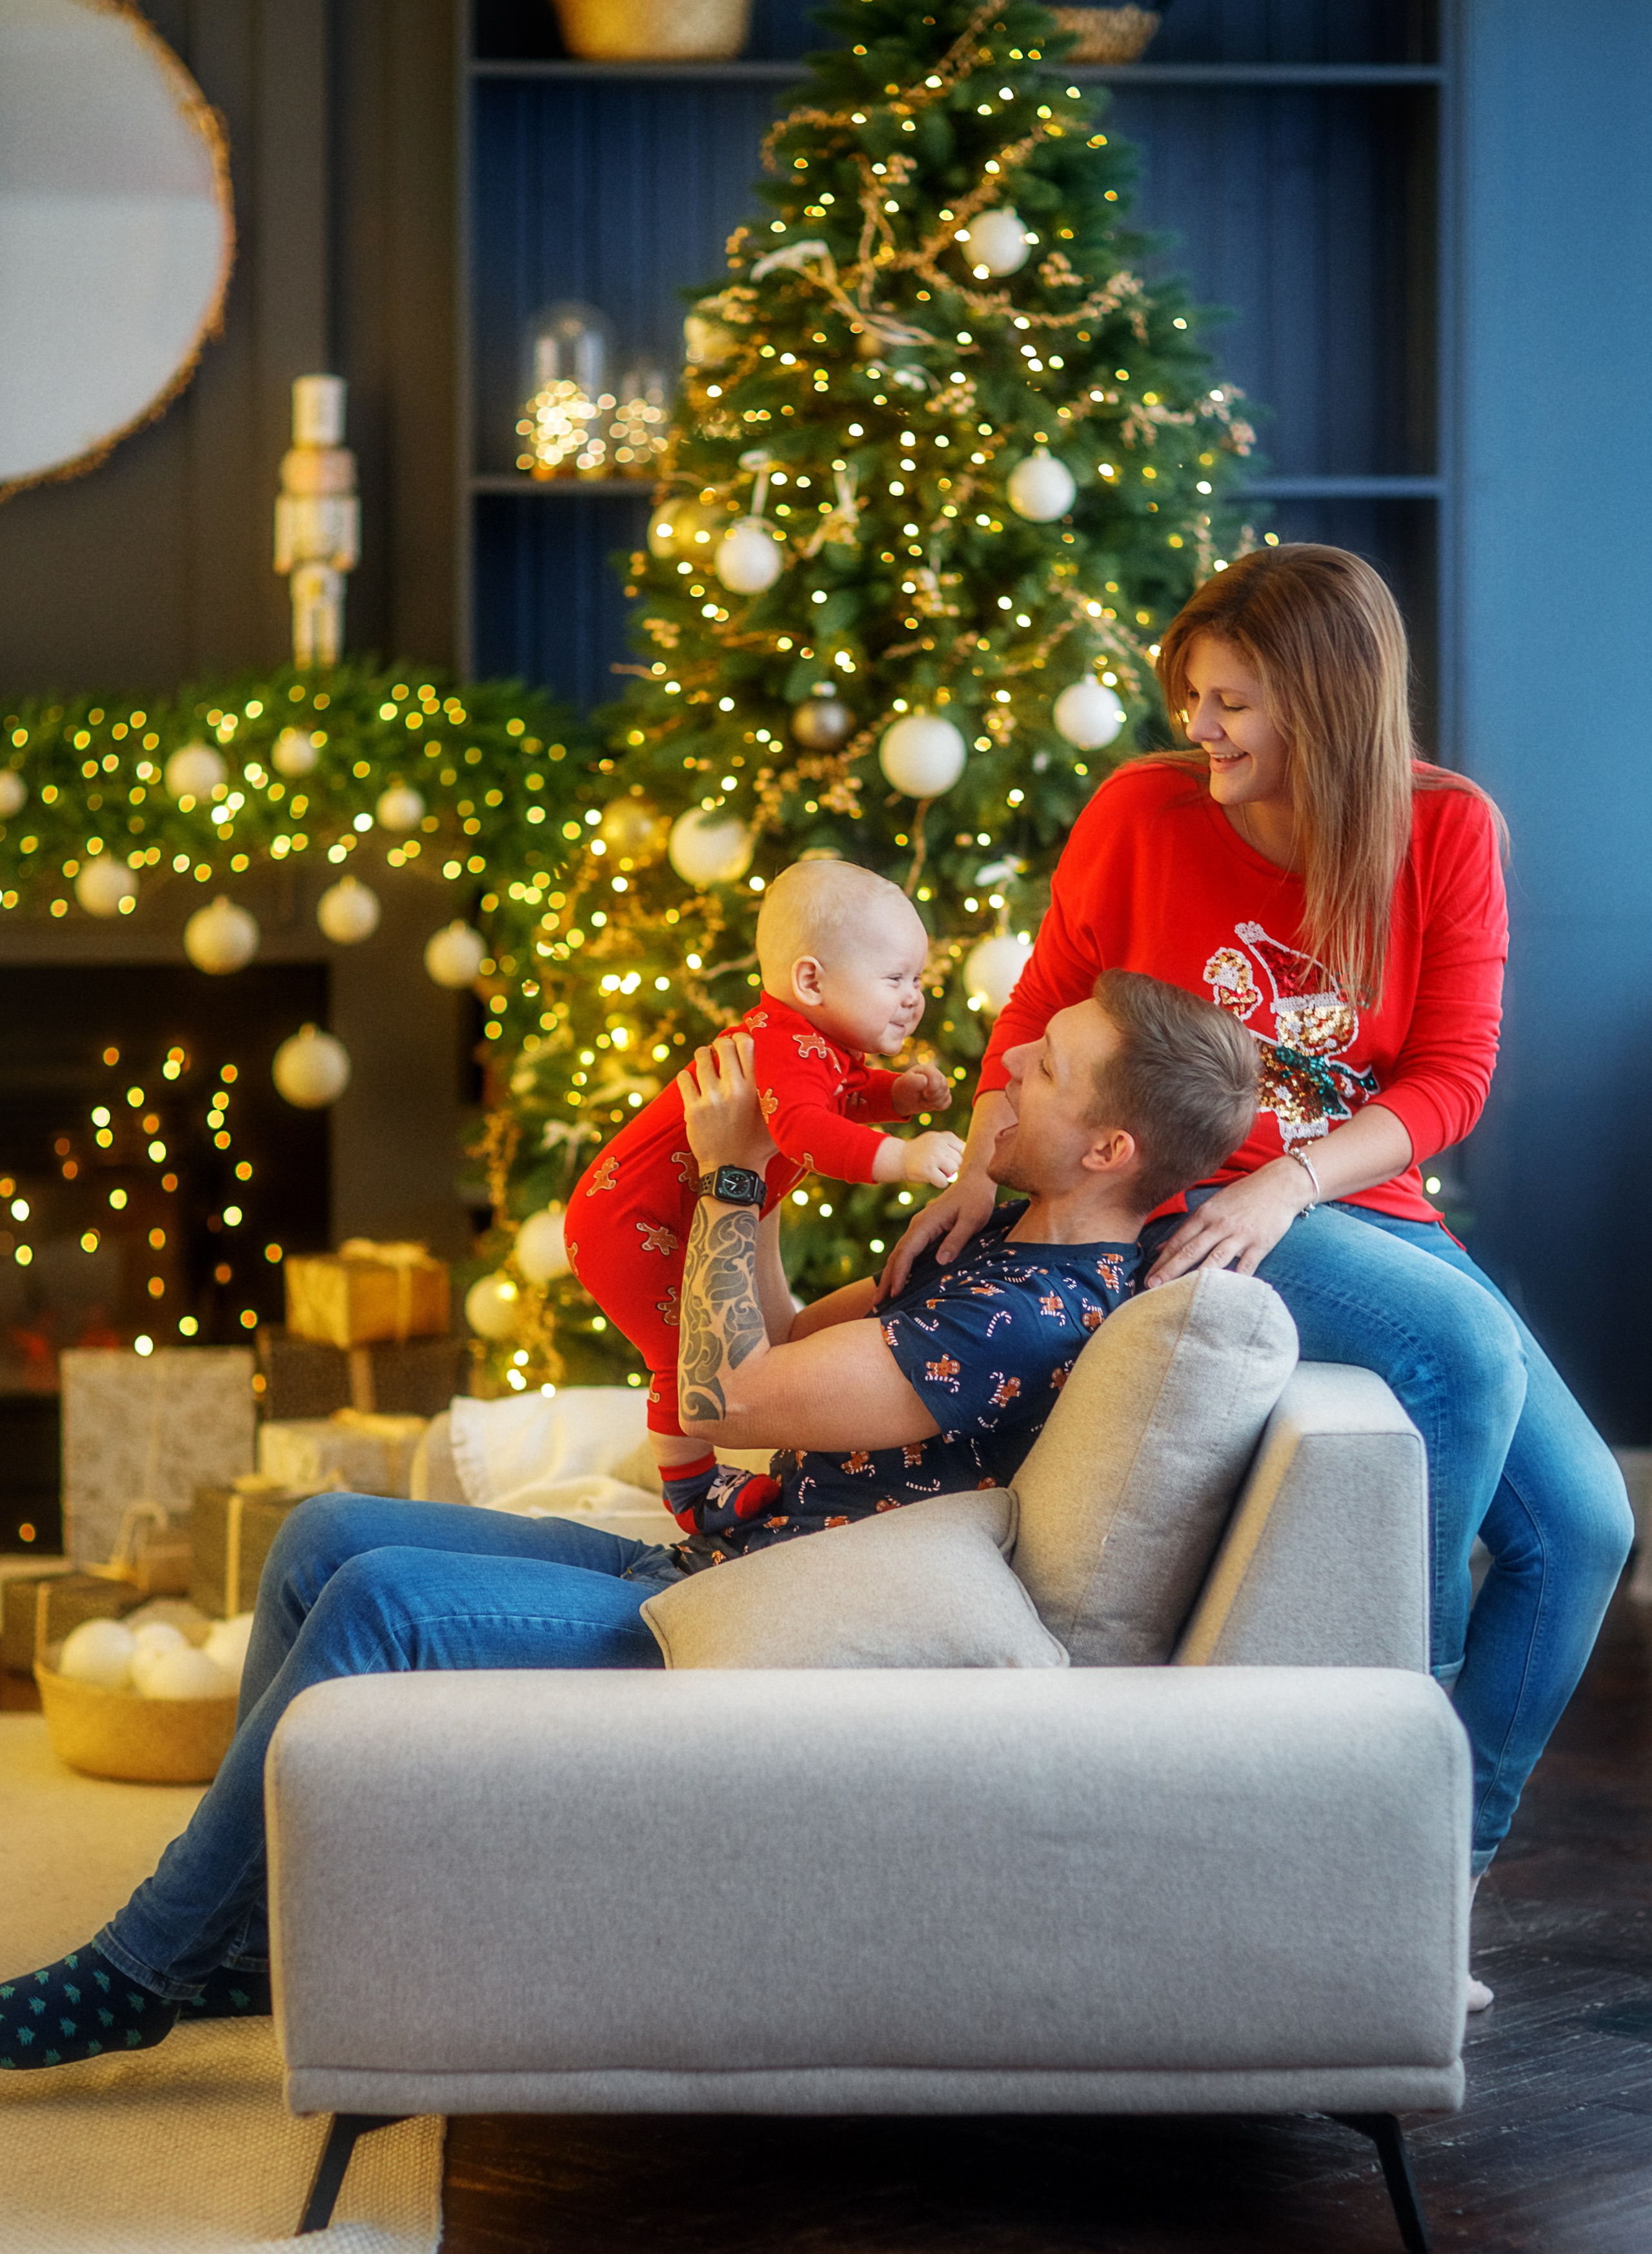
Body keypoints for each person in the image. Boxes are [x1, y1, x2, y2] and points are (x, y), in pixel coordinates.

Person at [0, 970, 1256, 2073]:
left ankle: (136, 1971)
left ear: (1108, 1152)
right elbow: (769, 1335)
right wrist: (753, 1178)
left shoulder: (1029, 1317)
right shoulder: (981, 1246)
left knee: (379, 1605)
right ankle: (259, 1937)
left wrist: (711, 1170)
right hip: (722, 1553)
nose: (1017, 1055)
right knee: (323, 1532)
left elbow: (727, 1395)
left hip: (733, 1621)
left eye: (1055, 1063)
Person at [883, 543, 1634, 2006]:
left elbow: (1449, 1075)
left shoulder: (1442, 830)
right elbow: (1042, 998)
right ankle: (1372, 1762)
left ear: (1322, 699)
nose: (1198, 730)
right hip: (1186, 1194)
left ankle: (1429, 1862)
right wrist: (980, 1159)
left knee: (1589, 1525)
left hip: (1338, 1200)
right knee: (1463, 1363)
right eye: (1189, 697)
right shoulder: (1141, 812)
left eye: (1228, 701)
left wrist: (1298, 1171)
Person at [565, 858, 963, 1528]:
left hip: (661, 1214)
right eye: (894, 978)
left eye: (917, 979)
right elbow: (806, 1129)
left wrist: (894, 1094)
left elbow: (836, 1096)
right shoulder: (783, 1044)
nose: (914, 996)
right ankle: (692, 1492)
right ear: (810, 980)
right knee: (680, 1349)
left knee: (697, 1339)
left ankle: (699, 1475)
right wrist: (904, 1157)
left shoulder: (814, 1046)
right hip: (627, 1222)